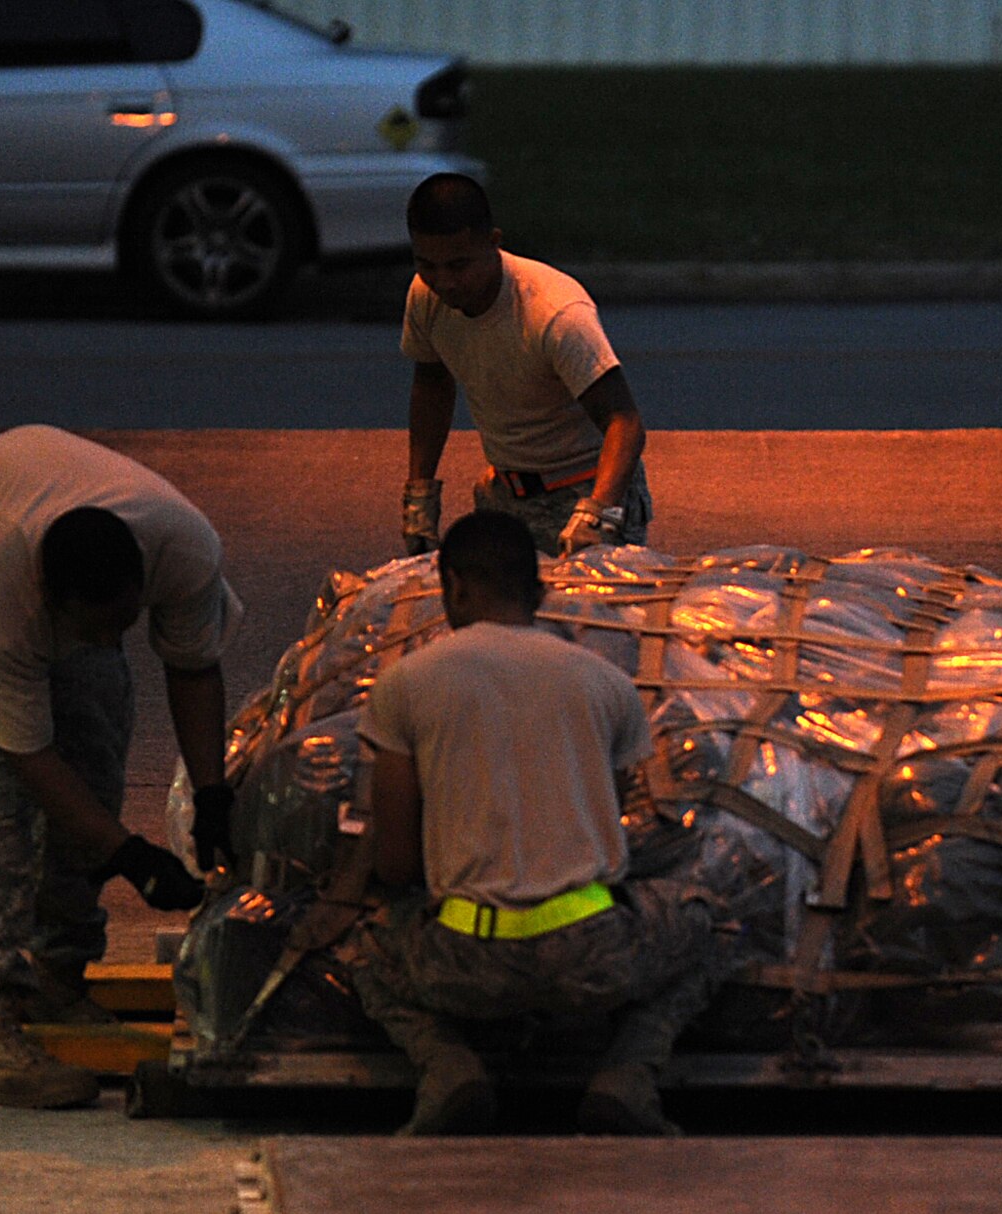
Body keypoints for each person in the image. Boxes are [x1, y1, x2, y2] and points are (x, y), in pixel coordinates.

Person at [0, 425, 242, 1109]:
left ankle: (58, 975)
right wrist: (127, 855)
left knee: (94, 738)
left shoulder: (184, 548)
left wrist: (214, 796)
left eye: (122, 625)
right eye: (94, 627)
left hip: (32, 527)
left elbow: (194, 669)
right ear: (55, 602)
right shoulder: (3, 590)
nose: (107, 641)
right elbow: (26, 753)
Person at [348, 509, 717, 1136]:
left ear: (455, 586)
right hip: (591, 956)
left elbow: (396, 864)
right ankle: (627, 1075)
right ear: (540, 591)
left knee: (361, 947)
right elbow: (624, 812)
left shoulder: (405, 683)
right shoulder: (606, 683)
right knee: (715, 923)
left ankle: (447, 1069)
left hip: (467, 961)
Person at [398, 173, 652, 557]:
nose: (444, 282)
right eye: (427, 264)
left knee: (582, 613)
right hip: (507, 493)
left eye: (459, 265)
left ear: (494, 243)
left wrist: (598, 515)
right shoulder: (426, 296)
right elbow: (432, 384)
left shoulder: (555, 313)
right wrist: (420, 492)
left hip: (588, 491)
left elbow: (624, 422)